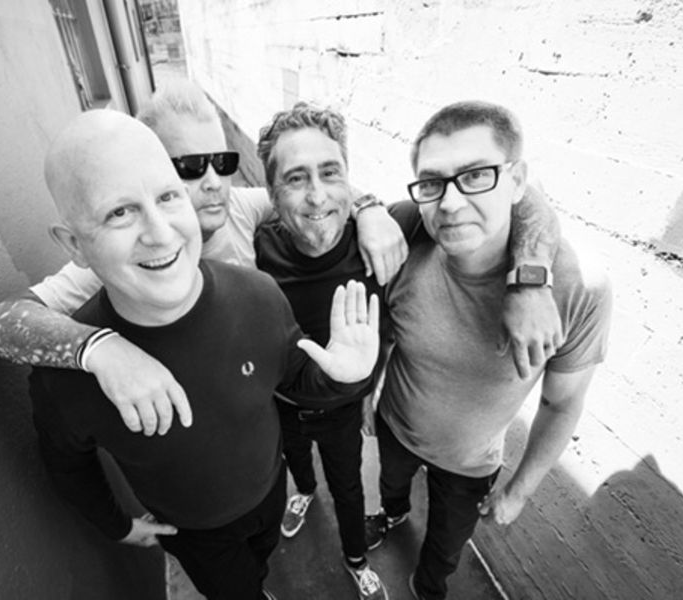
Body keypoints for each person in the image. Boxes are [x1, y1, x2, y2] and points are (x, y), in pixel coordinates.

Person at [31, 109, 381, 600]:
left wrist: (344, 376)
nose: (160, 233)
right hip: (195, 535)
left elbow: (294, 377)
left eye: (167, 196)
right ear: (74, 244)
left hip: (270, 492)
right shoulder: (66, 374)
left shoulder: (259, 294)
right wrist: (116, 524)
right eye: (119, 213)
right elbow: (68, 464)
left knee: (262, 561)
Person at [0, 80, 410, 437]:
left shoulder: (241, 207)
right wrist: (101, 350)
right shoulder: (126, 255)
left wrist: (369, 209)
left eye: (222, 161)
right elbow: (0, 322)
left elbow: (310, 193)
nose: (214, 181)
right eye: (190, 168)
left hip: (263, 400)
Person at [253, 102, 562, 600]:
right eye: (295, 178)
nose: (316, 195)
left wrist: (529, 278)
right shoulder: (254, 243)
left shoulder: (389, 232)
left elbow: (522, 195)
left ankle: (357, 559)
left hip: (344, 411)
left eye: (330, 173)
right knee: (300, 469)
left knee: (350, 489)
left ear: (347, 178)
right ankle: (305, 493)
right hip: (285, 403)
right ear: (271, 193)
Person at [364, 100, 613, 600]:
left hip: (470, 463)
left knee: (446, 548)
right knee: (392, 490)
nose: (450, 203)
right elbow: (384, 329)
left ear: (517, 181)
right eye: (432, 183)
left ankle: (427, 585)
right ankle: (393, 514)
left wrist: (519, 491)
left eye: (476, 175)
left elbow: (561, 402)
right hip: (395, 425)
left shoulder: (576, 288)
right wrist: (367, 393)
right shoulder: (406, 232)